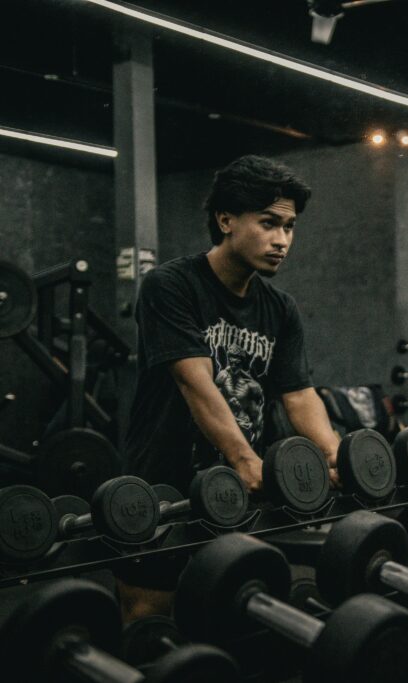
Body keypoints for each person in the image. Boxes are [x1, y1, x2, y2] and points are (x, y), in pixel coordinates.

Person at [119, 155, 341, 620]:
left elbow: (298, 394)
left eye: (289, 227)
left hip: (238, 496)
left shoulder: (280, 308)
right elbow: (194, 381)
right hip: (165, 488)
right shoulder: (170, 286)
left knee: (229, 611)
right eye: (268, 223)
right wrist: (246, 461)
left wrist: (335, 455)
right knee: (151, 617)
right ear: (225, 220)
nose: (282, 240)